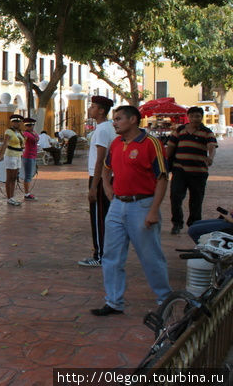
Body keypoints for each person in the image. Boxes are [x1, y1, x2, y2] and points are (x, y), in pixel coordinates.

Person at [90, 105, 171, 316]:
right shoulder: (116, 143)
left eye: (118, 119)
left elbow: (162, 178)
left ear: (133, 120)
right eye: (114, 119)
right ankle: (114, 301)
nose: (114, 122)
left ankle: (165, 298)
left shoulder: (151, 143)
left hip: (142, 204)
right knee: (111, 255)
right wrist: (108, 189)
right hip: (118, 205)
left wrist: (154, 210)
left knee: (150, 255)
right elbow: (106, 169)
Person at [165, 106, 217, 235]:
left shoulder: (207, 132)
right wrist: (164, 161)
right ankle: (177, 223)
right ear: (188, 117)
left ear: (201, 117)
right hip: (179, 171)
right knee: (175, 197)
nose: (195, 118)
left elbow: (211, 146)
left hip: (198, 172)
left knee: (196, 200)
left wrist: (210, 158)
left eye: (198, 116)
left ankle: (194, 225)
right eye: (192, 116)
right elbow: (170, 146)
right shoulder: (180, 130)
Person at [78, 96, 116, 267]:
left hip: (99, 177)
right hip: (108, 176)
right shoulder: (110, 127)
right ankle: (106, 253)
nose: (90, 109)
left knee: (98, 217)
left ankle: (99, 255)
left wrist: (93, 187)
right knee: (105, 216)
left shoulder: (101, 130)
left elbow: (100, 159)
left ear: (101, 110)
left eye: (93, 106)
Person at [0, 114, 25, 206]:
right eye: (15, 122)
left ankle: (12, 196)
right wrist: (0, 157)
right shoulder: (9, 131)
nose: (17, 123)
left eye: (18, 122)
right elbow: (5, 144)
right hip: (10, 155)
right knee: (10, 177)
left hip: (18, 155)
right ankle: (9, 198)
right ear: (12, 122)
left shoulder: (20, 132)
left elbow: (22, 145)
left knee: (14, 177)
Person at [20, 118, 39, 200]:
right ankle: (27, 193)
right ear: (26, 126)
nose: (31, 127)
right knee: (28, 175)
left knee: (30, 175)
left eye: (32, 125)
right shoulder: (26, 134)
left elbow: (37, 138)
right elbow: (35, 139)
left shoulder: (33, 132)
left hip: (33, 155)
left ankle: (27, 192)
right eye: (29, 125)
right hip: (28, 156)